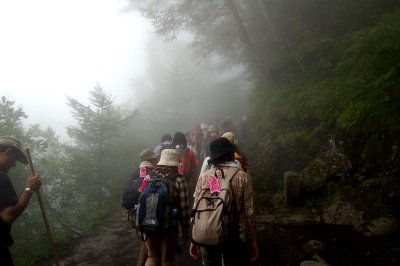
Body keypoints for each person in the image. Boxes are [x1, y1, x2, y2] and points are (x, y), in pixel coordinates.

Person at [189, 138, 258, 266]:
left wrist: (194, 240)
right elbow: (249, 213)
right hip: (235, 234)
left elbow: (196, 208)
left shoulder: (205, 176)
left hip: (208, 233)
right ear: (231, 154)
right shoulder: (243, 177)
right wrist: (253, 241)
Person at [144, 149, 190, 266]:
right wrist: (185, 231)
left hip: (148, 224)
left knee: (152, 258)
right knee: (167, 259)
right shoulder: (179, 179)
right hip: (168, 226)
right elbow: (184, 208)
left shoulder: (149, 176)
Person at [0, 136, 42, 265]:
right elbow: (8, 215)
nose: (14, 164)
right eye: (15, 159)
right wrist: (29, 188)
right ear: (8, 153)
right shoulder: (1, 177)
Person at [134, 148, 160, 266]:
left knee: (145, 246)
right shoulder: (153, 172)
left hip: (135, 213)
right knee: (152, 254)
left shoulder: (137, 171)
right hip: (147, 215)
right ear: (151, 159)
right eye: (155, 158)